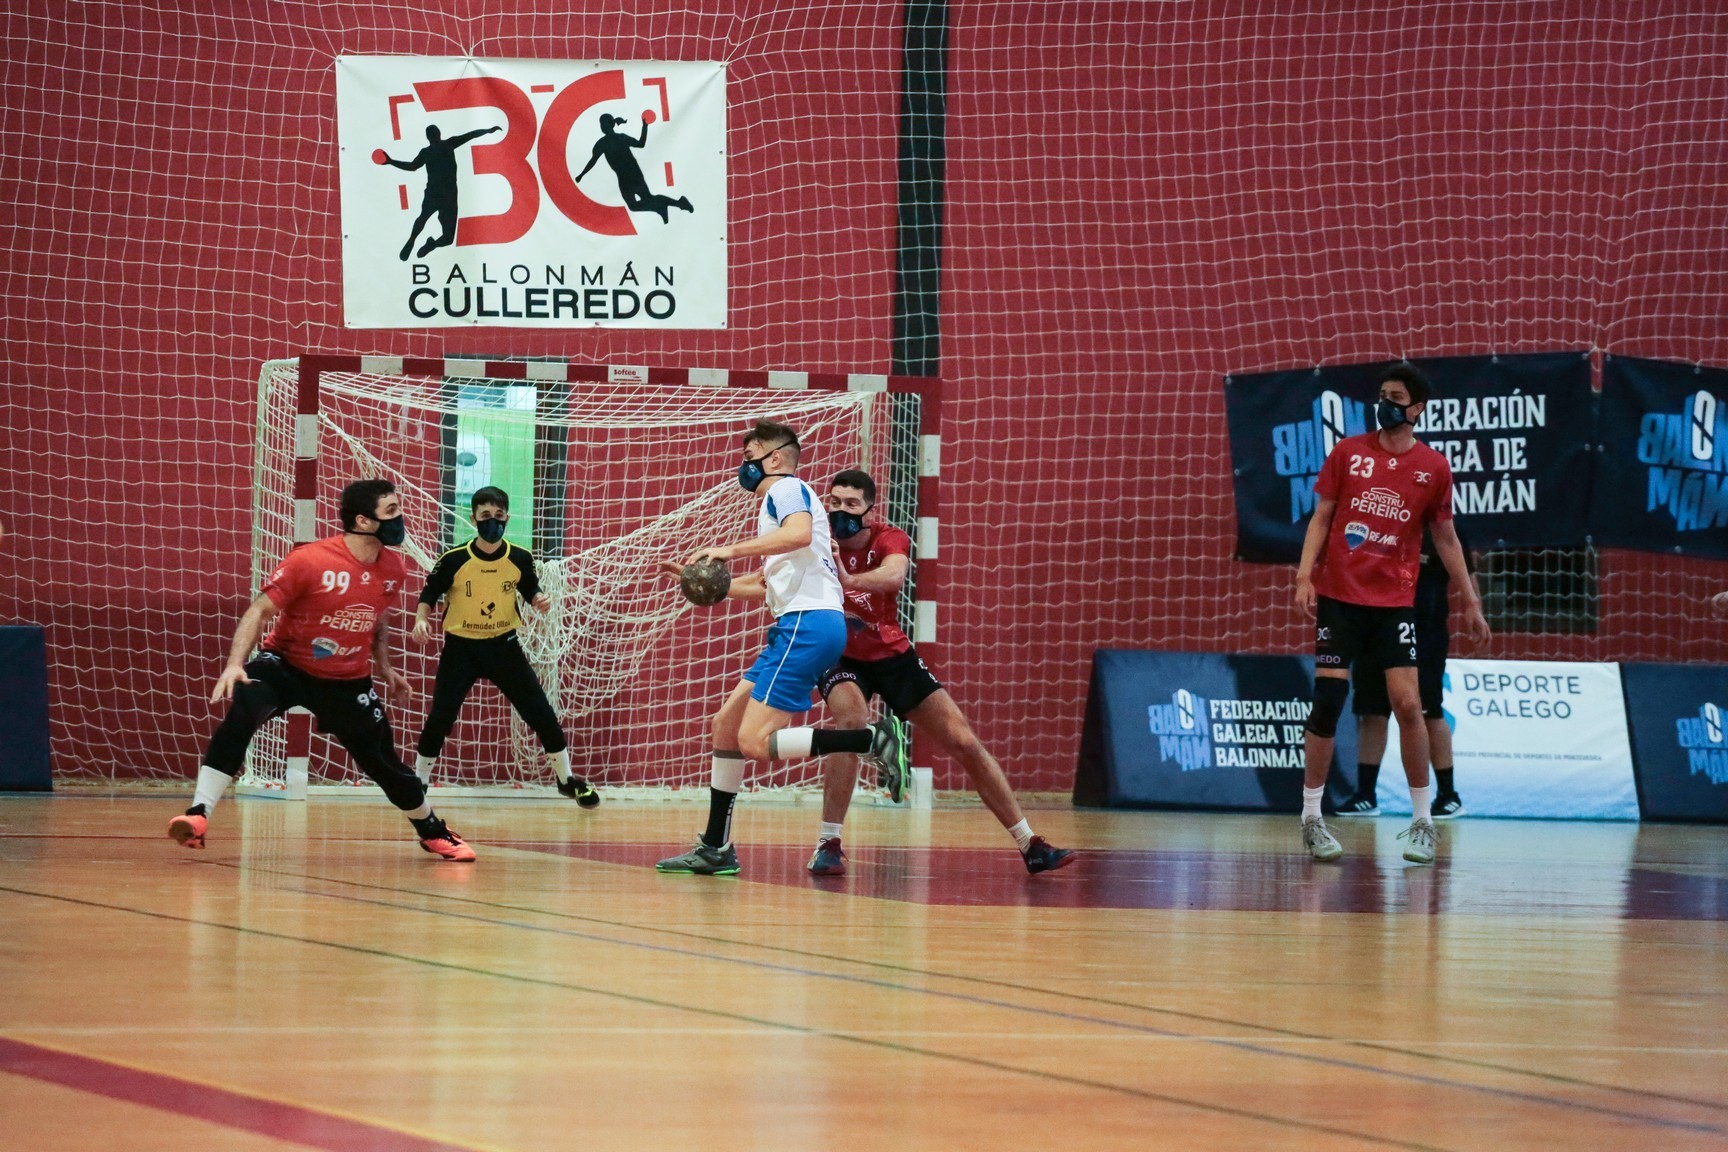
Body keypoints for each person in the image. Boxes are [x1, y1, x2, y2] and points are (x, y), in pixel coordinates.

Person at [167, 478, 475, 861]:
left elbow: (376, 620)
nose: (401, 518)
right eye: (392, 511)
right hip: (285, 665)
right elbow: (259, 610)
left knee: (382, 761)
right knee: (245, 706)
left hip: (346, 681)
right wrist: (234, 664)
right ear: (363, 521)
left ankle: (432, 831)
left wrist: (384, 668)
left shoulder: (394, 568)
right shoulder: (310, 561)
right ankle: (198, 814)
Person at [807, 470, 1075, 876]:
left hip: (890, 653)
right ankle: (829, 843)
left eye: (851, 504)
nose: (841, 511)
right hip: (838, 654)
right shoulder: (815, 540)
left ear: (869, 511)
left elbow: (894, 575)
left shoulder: (888, 538)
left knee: (963, 739)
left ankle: (1030, 844)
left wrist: (848, 579)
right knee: (851, 721)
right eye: (835, 502)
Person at [654, 420, 887, 876]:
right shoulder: (779, 514)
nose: (743, 465)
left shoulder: (786, 490)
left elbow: (797, 534)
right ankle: (716, 847)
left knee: (754, 742)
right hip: (798, 625)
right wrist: (701, 579)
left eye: (750, 456)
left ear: (774, 457)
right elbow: (762, 585)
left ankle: (869, 739)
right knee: (726, 727)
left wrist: (728, 550)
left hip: (807, 624)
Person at [1292, 364, 1489, 865]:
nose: (1385, 404)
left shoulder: (1433, 467)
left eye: (1396, 397)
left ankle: (1423, 822)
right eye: (1382, 394)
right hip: (1340, 597)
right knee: (1329, 700)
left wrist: (1471, 600)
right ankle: (1312, 818)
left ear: (1417, 408)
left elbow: (1446, 538)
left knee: (1409, 704)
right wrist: (1304, 575)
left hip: (1395, 602)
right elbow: (1321, 516)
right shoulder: (1348, 453)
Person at [411, 486, 598, 807]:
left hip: (504, 647)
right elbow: (428, 595)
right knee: (441, 717)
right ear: (474, 519)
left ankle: (567, 780)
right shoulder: (454, 559)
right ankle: (418, 781)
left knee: (540, 712)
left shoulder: (520, 558)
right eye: (485, 515)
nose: (493, 522)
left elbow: (531, 589)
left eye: (499, 516)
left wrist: (539, 599)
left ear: (507, 518)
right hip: (461, 649)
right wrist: (420, 620)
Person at [1339, 525, 1475, 819]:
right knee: (1372, 711)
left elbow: (1467, 573)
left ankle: (1448, 795)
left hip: (1425, 633)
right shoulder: (1380, 521)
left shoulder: (1443, 526)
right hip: (1374, 628)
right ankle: (1365, 795)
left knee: (1429, 710)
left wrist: (1474, 608)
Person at [381, 123, 503, 261]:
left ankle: (417, 240)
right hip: (448, 195)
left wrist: (391, 162)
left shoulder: (427, 152)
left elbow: (412, 166)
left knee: (423, 218)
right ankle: (430, 244)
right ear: (439, 134)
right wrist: (487, 130)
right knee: (447, 238)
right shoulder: (448, 144)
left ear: (428, 137)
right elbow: (470, 135)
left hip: (436, 193)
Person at [574, 114, 694, 223]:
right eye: (601, 124)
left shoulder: (618, 138)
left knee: (646, 200)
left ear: (609, 125)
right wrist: (581, 174)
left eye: (603, 123)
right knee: (635, 205)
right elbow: (593, 161)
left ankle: (676, 203)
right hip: (624, 178)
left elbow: (640, 144)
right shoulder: (602, 143)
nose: (602, 126)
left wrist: (645, 127)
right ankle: (665, 206)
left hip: (634, 175)